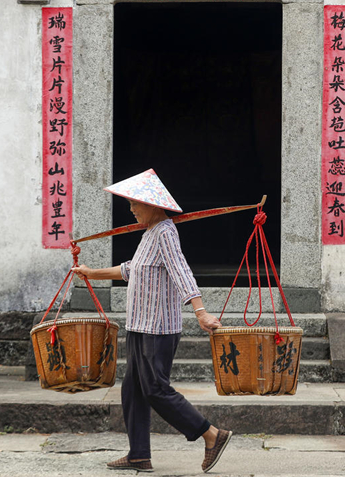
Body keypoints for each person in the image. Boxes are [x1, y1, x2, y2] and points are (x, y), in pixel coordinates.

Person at [72, 169, 233, 474]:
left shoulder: (165, 232)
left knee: (155, 389)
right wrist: (92, 273)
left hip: (158, 328)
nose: (131, 209)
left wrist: (200, 311)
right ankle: (138, 455)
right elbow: (132, 269)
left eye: (136, 204)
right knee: (132, 390)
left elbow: (181, 270)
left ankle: (211, 434)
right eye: (131, 204)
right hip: (139, 325)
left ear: (154, 205)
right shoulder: (149, 234)